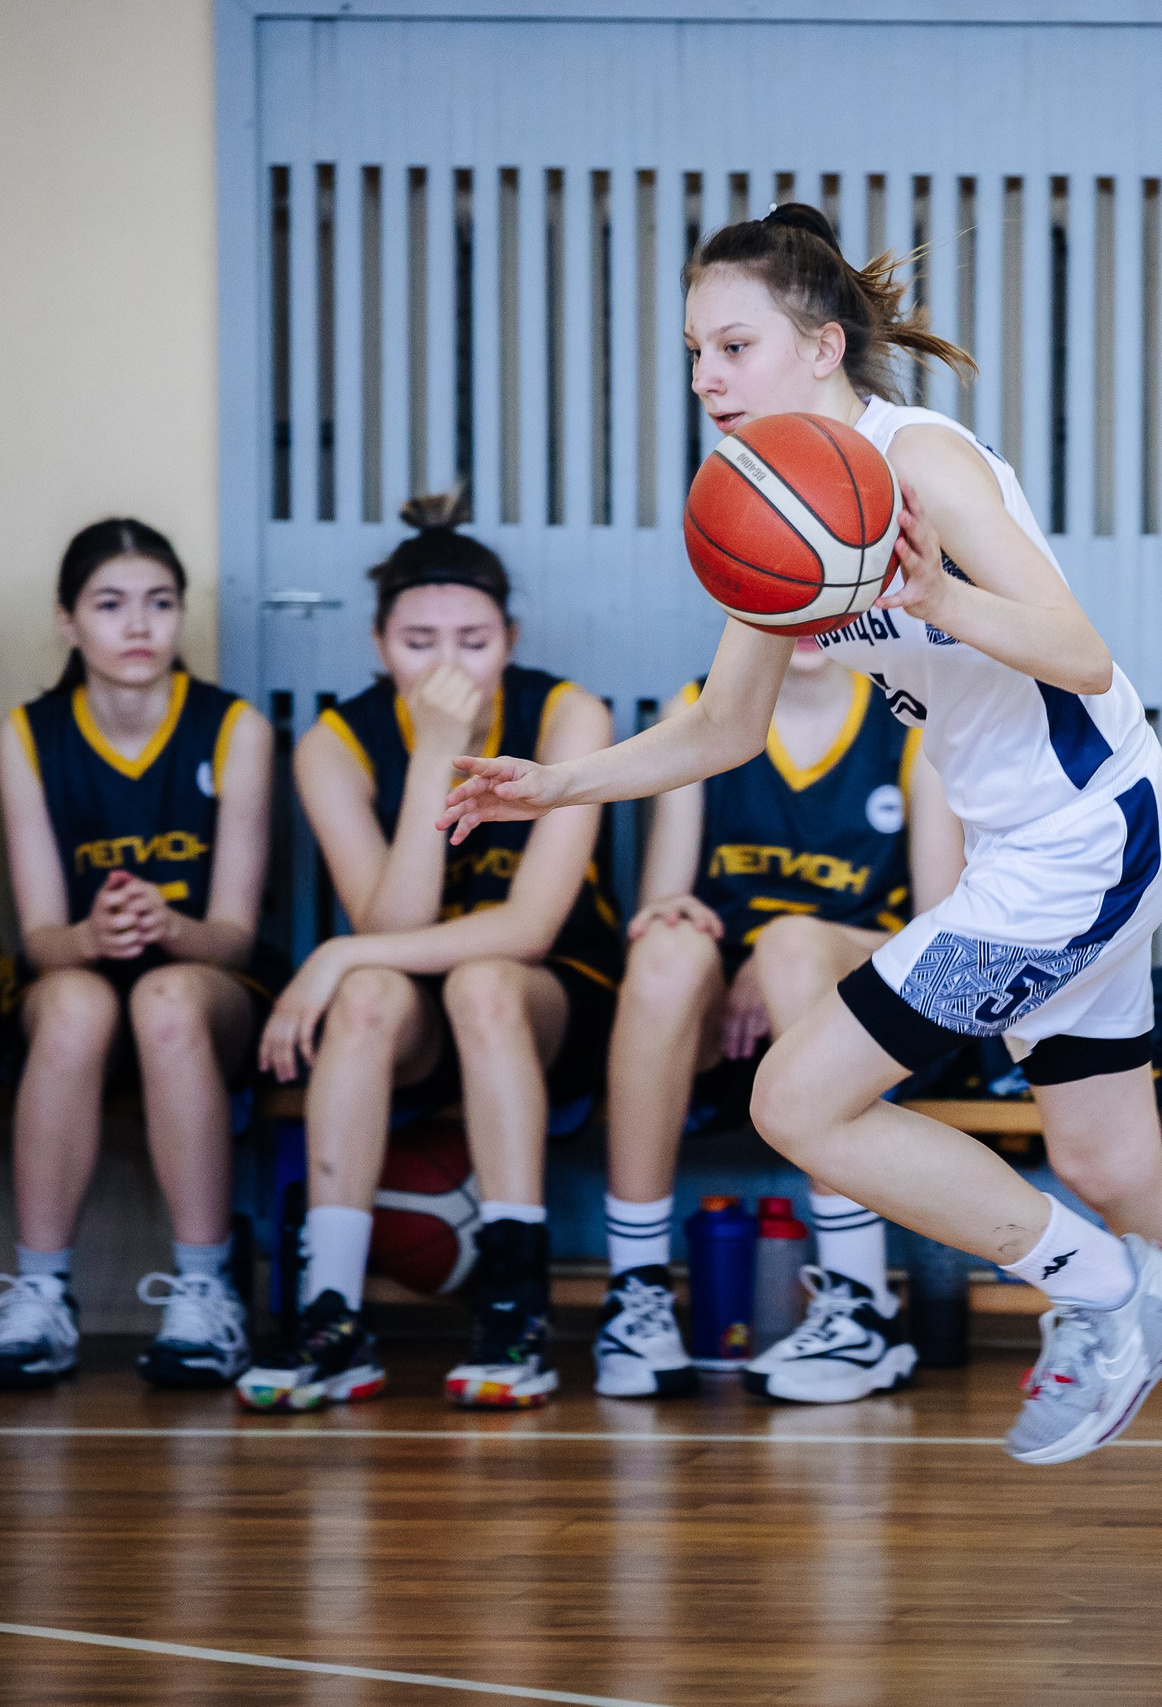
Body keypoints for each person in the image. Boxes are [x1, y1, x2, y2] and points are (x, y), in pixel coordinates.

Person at [439, 204, 1162, 1563]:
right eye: (693, 353)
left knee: (797, 1093)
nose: (705, 378)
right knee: (1110, 1157)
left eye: (732, 345)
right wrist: (552, 785)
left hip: (1088, 833)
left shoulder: (920, 460)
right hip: (1044, 849)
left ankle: (1102, 1293)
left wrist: (937, 594)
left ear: (821, 343)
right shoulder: (770, 506)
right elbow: (722, 729)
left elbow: (1076, 650)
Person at [234, 494, 622, 1413]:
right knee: (368, 990)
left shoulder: (569, 716)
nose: (448, 664)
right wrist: (433, 757)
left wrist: (333, 956)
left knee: (477, 980)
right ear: (378, 644)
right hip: (410, 1010)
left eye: (473, 640)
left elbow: (530, 927)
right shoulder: (336, 744)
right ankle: (330, 1315)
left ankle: (515, 1306)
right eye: (419, 642)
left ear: (511, 638)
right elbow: (390, 918)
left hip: (548, 999)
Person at [593, 637, 961, 1402]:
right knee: (663, 947)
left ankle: (861, 1307)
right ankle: (636, 1297)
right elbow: (664, 897)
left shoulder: (916, 720)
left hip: (868, 1009)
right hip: (716, 1024)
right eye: (784, 588)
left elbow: (944, 927)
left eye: (823, 587)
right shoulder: (697, 706)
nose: (805, 616)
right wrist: (701, 934)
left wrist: (785, 946)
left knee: (794, 945)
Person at [0, 520, 276, 1390]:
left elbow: (231, 931)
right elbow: (41, 938)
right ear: (68, 622)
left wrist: (163, 925)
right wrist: (91, 937)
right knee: (79, 1000)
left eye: (160, 603)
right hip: (79, 982)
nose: (139, 626)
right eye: (111, 605)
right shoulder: (25, 735)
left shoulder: (234, 728)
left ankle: (206, 1291)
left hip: (202, 982)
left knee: (162, 997)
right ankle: (41, 1297)